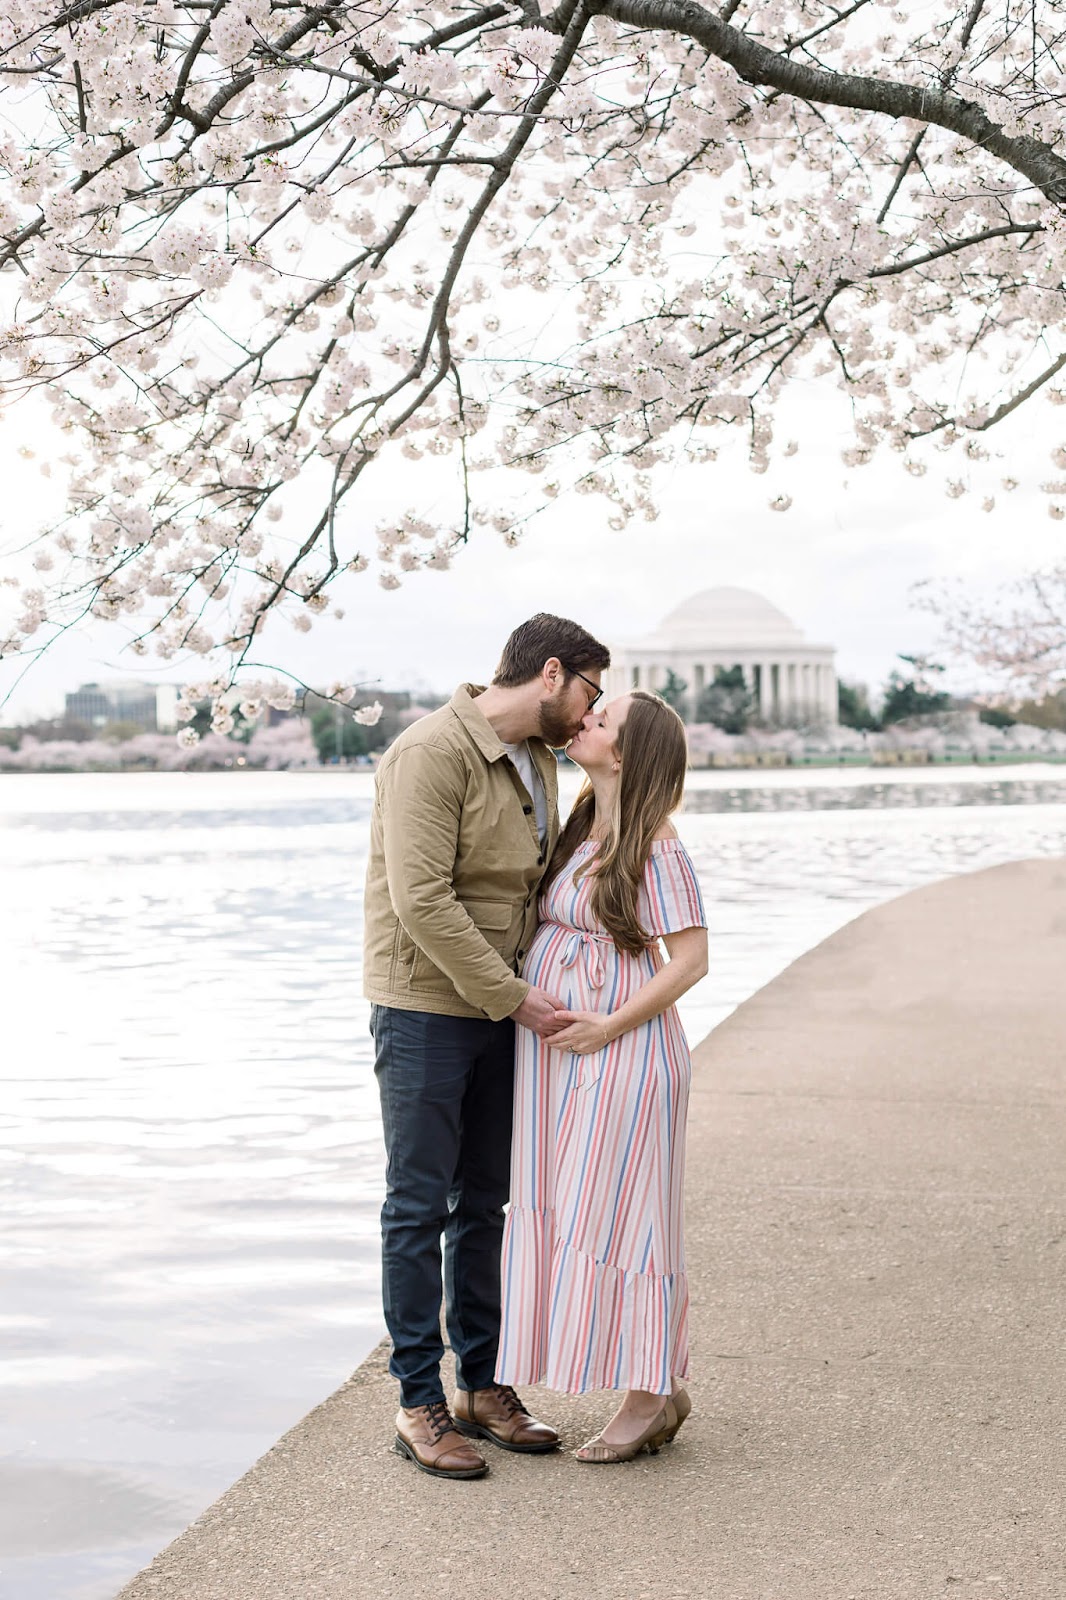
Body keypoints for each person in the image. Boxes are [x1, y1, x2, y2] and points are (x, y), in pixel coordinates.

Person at [363, 614, 611, 1479]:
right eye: (590, 690)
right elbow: (422, 900)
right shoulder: (430, 753)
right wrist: (516, 999)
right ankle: (417, 1402)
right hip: (427, 1008)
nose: (590, 711)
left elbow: (542, 890)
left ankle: (483, 1384)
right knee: (417, 1204)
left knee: (487, 1203)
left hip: (503, 1014)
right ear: (551, 673)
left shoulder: (541, 762)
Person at [495, 690, 709, 1462]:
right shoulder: (582, 822)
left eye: (601, 719)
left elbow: (692, 960)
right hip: (561, 1058)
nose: (583, 720)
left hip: (623, 1053)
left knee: (626, 1220)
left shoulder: (658, 842)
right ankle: (657, 1381)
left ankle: (648, 1396)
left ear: (625, 752)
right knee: (570, 1208)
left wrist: (609, 1026)